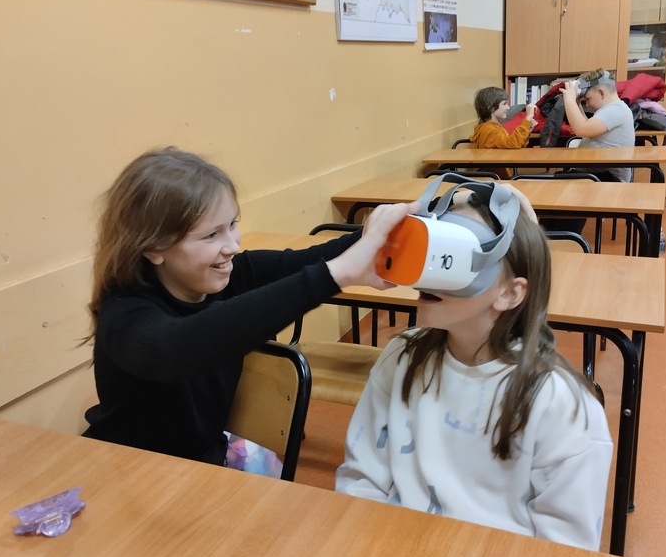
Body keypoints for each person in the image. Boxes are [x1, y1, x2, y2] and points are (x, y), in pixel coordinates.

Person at [81, 147, 418, 474]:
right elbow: (178, 348)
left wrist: (379, 233)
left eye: (232, 224)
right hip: (130, 472)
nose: (232, 245)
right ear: (154, 247)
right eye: (211, 235)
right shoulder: (124, 313)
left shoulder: (232, 276)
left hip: (201, 466)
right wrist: (336, 274)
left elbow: (313, 259)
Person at [335, 184, 613, 551]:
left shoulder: (562, 406)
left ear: (510, 293)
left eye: (454, 256)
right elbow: (361, 480)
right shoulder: (401, 357)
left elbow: (564, 544)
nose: (428, 275)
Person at [561, 67, 635, 183]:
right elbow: (587, 128)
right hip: (595, 176)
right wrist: (576, 103)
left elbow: (581, 129)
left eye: (588, 99)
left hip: (608, 180)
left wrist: (569, 100)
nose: (587, 105)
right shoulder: (613, 109)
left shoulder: (616, 110)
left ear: (601, 93)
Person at [470, 86, 537, 151]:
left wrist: (527, 130)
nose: (508, 107)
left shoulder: (494, 127)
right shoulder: (489, 130)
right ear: (491, 108)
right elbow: (513, 143)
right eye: (504, 104)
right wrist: (528, 117)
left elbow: (515, 146)